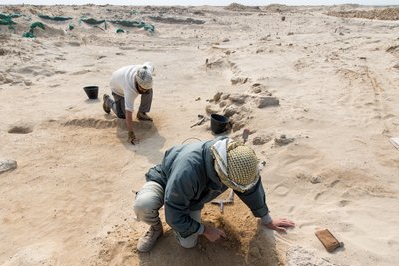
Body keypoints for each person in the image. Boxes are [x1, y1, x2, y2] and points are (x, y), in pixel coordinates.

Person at [133, 137, 295, 252]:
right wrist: (205, 230)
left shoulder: (236, 157)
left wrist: (266, 218)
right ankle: (155, 228)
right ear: (220, 174)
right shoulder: (188, 172)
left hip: (192, 194)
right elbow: (173, 213)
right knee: (144, 205)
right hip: (166, 179)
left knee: (188, 243)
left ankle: (187, 218)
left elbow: (251, 188)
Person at [103, 62, 154, 145]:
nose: (144, 91)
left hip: (123, 75)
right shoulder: (129, 90)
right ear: (137, 83)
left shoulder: (147, 71)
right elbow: (128, 113)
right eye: (142, 89)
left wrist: (146, 89)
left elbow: (149, 64)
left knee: (149, 90)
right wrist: (131, 134)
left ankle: (142, 113)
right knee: (122, 115)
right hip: (117, 87)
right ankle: (108, 101)